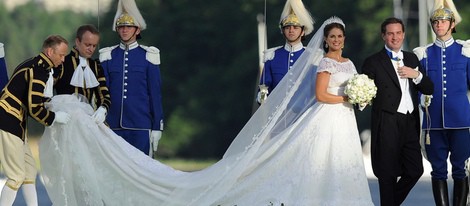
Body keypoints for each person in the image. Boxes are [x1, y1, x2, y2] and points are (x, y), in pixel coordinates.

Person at [39, 16, 373, 206]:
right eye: (332, 36)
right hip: (113, 124)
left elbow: (148, 90)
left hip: (139, 123)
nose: (336, 40)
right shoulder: (103, 58)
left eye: (339, 36)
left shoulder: (326, 58)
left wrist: (155, 123)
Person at [362, 17, 434, 206]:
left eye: (398, 33)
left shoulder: (411, 58)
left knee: (415, 170)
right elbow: (364, 91)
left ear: (403, 34)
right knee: (387, 174)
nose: (395, 37)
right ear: (383, 36)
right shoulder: (373, 62)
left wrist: (416, 75)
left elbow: (429, 88)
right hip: (386, 121)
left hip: (410, 122)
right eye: (390, 33)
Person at [0, 35, 71, 206]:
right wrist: (54, 118)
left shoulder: (35, 64)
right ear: (49, 51)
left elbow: (31, 102)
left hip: (16, 121)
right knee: (16, 176)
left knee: (30, 172)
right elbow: (34, 107)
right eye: (61, 55)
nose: (63, 59)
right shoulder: (39, 70)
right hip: (8, 121)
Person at [413, 1, 469, 205]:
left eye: (444, 21)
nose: (439, 25)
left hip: (462, 122)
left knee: (461, 169)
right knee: (437, 171)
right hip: (433, 123)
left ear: (452, 24)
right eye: (435, 22)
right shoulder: (423, 54)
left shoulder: (465, 52)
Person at [99, 0, 163, 156]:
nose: (124, 30)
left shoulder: (149, 56)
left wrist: (157, 126)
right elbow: (103, 91)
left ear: (137, 29)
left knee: (143, 173)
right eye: (121, 27)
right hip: (112, 126)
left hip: (140, 126)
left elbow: (155, 94)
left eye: (128, 27)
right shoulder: (108, 56)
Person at [256, 0, 313, 104]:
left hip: (303, 115)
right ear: (282, 30)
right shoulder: (272, 56)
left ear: (303, 31)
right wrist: (262, 96)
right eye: (287, 27)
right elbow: (264, 87)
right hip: (276, 114)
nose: (291, 30)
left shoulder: (312, 57)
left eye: (295, 27)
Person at [53, 24, 111, 124]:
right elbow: (47, 93)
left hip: (88, 121)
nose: (91, 49)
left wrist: (103, 109)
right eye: (87, 45)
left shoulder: (95, 66)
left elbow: (104, 95)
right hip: (65, 122)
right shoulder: (62, 63)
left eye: (94, 46)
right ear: (77, 42)